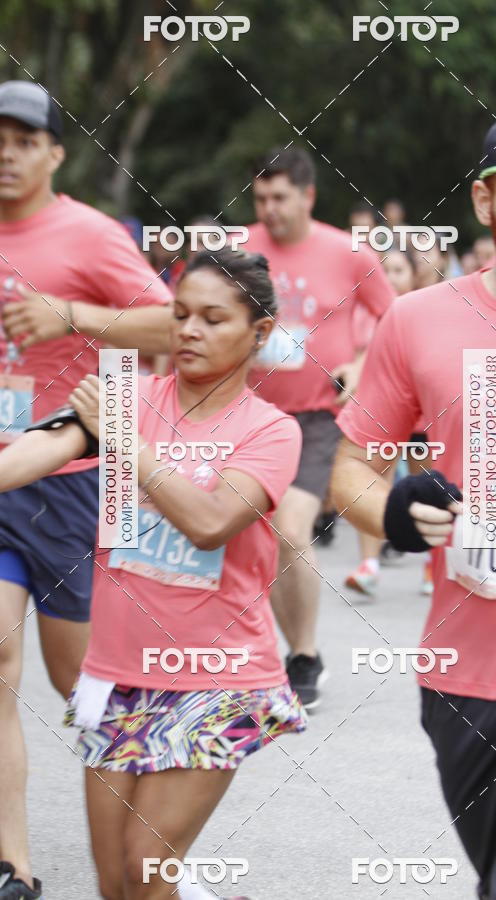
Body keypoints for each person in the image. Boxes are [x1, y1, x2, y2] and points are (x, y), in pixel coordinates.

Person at [332, 106, 496, 900]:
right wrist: (394, 512)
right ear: (485, 201)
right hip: (462, 677)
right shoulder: (418, 321)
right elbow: (352, 469)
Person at [0, 248, 306, 900]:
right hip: (117, 676)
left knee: (147, 868)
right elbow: (45, 446)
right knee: (117, 885)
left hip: (219, 679)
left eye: (212, 319)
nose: (189, 330)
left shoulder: (272, 431)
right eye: (181, 314)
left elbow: (211, 521)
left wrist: (128, 444)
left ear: (259, 332)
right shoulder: (128, 396)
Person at [0, 79, 173, 899]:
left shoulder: (91, 235)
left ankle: (148, 842)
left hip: (74, 484)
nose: (6, 153)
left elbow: (171, 325)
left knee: (84, 687)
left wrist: (69, 314)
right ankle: (13, 867)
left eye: (24, 141)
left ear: (56, 154)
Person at [245, 147, 395, 709]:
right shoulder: (238, 250)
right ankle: (284, 653)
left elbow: (396, 319)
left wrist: (360, 361)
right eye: (261, 198)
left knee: (289, 528)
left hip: (319, 417)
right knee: (255, 539)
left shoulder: (349, 253)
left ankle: (304, 656)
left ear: (308, 196)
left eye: (280, 197)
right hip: (250, 415)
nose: (270, 209)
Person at [345, 243, 417, 595]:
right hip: (381, 409)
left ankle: (434, 567)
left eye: (399, 271)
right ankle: (369, 564)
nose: (390, 278)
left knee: (429, 483)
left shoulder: (426, 311)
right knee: (372, 479)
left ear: (414, 275)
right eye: (383, 271)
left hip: (424, 416)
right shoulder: (364, 315)